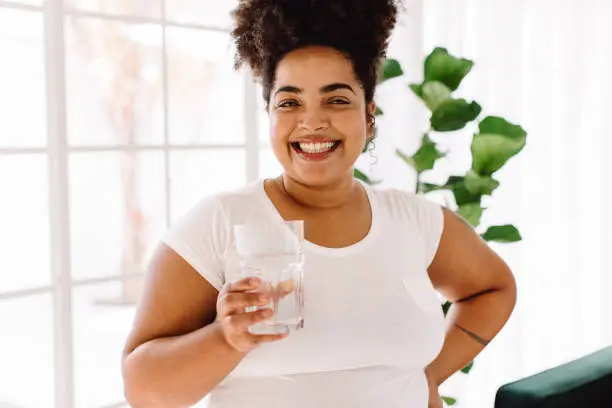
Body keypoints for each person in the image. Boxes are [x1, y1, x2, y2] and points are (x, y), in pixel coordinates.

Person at [121, 0, 517, 407]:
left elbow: (493, 289)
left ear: (369, 115)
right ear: (270, 114)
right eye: (290, 102)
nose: (311, 122)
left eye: (336, 100)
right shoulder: (222, 221)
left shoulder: (413, 220)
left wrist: (426, 378)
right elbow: (144, 390)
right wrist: (225, 338)